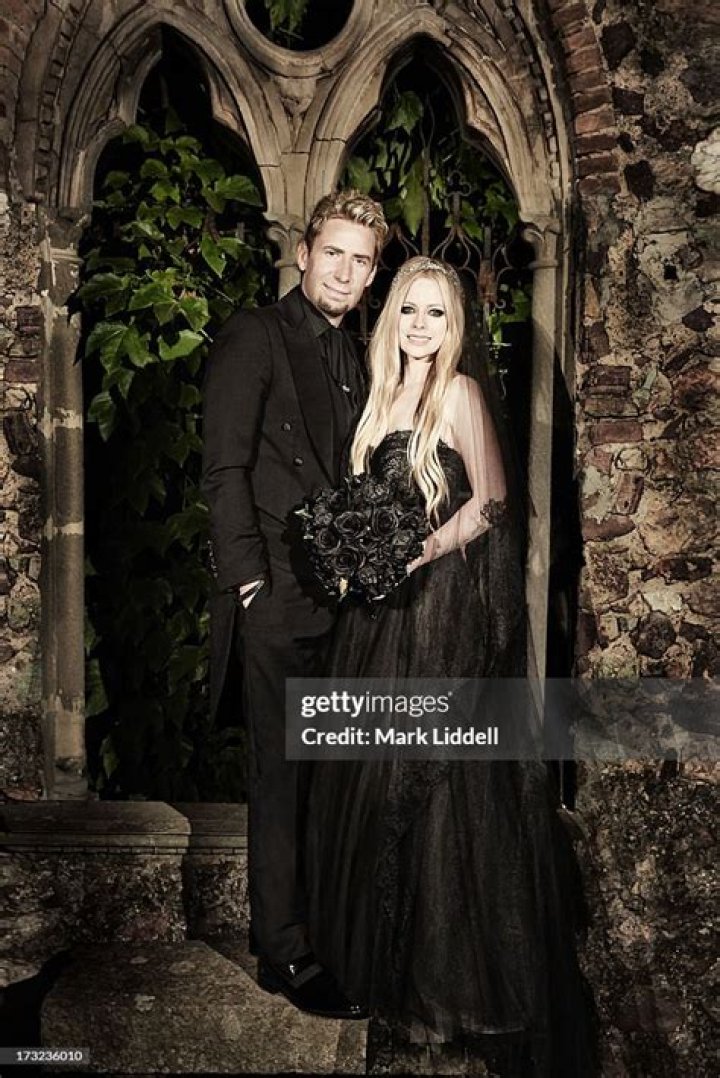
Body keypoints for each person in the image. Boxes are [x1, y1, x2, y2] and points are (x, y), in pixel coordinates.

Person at [305, 257, 596, 1073]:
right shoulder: (375, 399)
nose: (421, 326)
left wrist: (417, 553)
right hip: (376, 623)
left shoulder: (459, 394)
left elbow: (493, 501)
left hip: (438, 612)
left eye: (436, 313)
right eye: (410, 310)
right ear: (391, 317)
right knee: (370, 780)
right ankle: (378, 971)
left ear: (453, 324)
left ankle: (447, 989)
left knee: (437, 793)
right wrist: (352, 560)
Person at [201, 189, 388, 1018]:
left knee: (330, 772)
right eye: (333, 253)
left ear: (372, 273)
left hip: (342, 600)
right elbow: (224, 467)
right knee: (280, 773)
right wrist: (248, 579)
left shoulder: (361, 355)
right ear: (304, 253)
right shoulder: (257, 334)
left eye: (361, 260)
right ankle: (282, 950)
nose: (344, 272)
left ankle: (324, 931)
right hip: (276, 593)